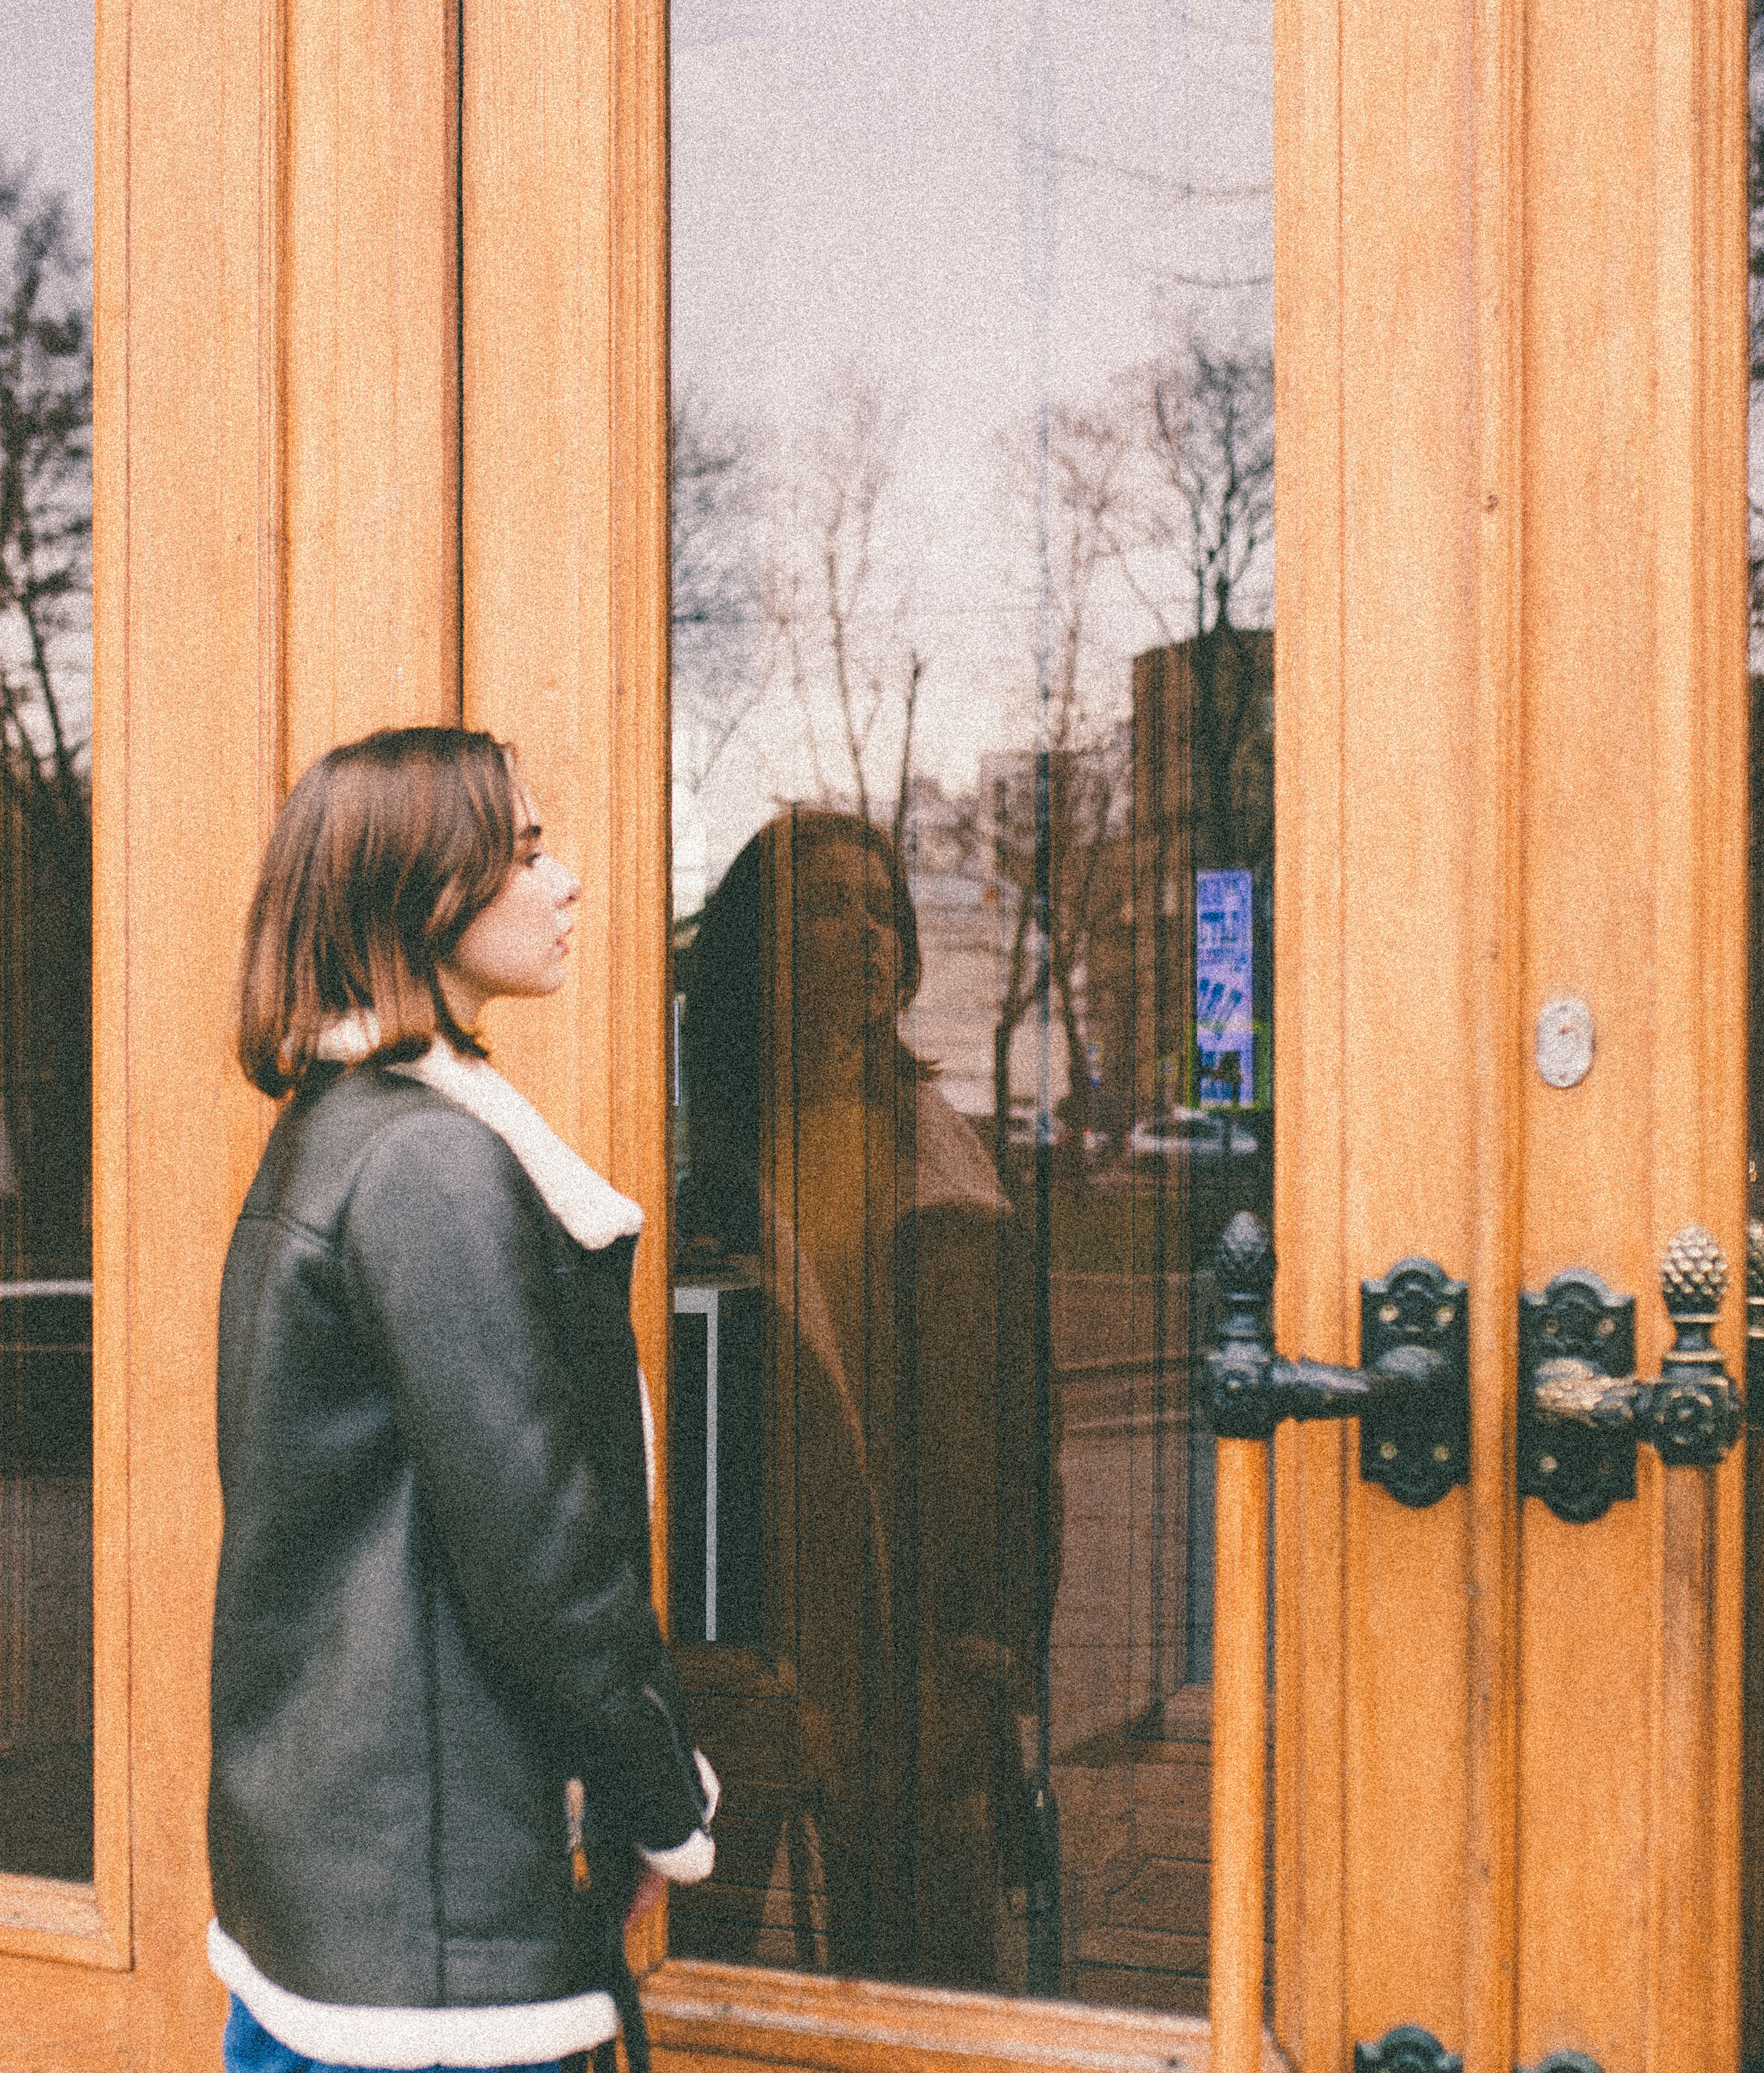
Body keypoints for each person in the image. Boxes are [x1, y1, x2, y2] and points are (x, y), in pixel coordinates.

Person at [208, 727, 713, 2073]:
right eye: (527, 851)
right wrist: (657, 1803)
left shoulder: (338, 1136)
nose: (567, 886)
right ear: (419, 889)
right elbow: (545, 1557)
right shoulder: (428, 1163)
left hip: (336, 1917)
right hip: (425, 1977)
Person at [679, 806, 1054, 1990]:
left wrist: (999, 1644)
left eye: (883, 909)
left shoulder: (957, 1161)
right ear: (756, 946)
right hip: (729, 1659)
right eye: (828, 908)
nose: (868, 934)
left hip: (917, 1663)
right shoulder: (682, 1151)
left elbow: (1020, 1436)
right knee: (696, 1986)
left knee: (924, 2000)